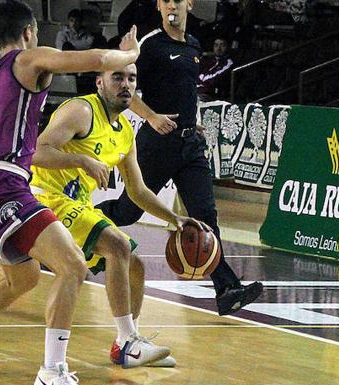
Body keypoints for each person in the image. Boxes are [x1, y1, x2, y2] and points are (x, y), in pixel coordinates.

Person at [0, 1, 140, 384]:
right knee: (73, 265)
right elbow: (91, 59)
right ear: (29, 31)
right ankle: (52, 370)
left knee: (23, 278)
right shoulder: (26, 60)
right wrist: (130, 53)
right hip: (5, 184)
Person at [32, 64, 210, 368]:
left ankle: (125, 342)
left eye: (132, 79)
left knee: (135, 267)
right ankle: (128, 342)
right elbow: (37, 151)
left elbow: (138, 190)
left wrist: (175, 219)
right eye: (117, 77)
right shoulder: (80, 110)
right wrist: (82, 160)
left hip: (78, 204)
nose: (126, 85)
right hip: (46, 198)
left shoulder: (126, 132)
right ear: (99, 82)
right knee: (118, 246)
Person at [96, 0, 263, 316]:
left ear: (190, 3)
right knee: (127, 211)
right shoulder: (151, 44)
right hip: (156, 145)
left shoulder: (194, 45)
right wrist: (151, 117)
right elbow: (122, 89)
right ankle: (71, 230)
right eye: (165, 0)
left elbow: (184, 90)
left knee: (205, 217)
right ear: (159, 6)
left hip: (189, 146)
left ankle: (227, 290)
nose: (172, 4)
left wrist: (191, 118)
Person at [197, 37, 234, 101]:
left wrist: (200, 85)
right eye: (216, 45)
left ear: (227, 47)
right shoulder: (208, 60)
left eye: (222, 45)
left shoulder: (228, 62)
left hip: (211, 94)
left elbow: (215, 78)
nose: (219, 48)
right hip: (197, 91)